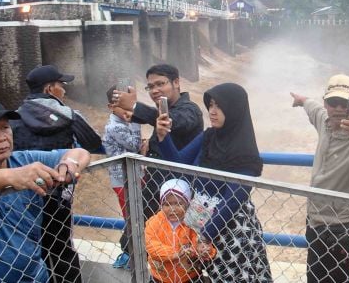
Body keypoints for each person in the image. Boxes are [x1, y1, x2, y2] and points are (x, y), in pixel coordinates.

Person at [156, 83, 273, 282]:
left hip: (231, 230)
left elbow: (233, 200)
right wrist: (163, 137)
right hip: (200, 227)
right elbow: (178, 164)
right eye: (210, 105)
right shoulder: (209, 137)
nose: (212, 111)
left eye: (219, 106)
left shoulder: (244, 152)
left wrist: (206, 235)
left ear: (234, 109)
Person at [0, 98, 91, 282]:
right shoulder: (15, 169)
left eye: (5, 128)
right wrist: (10, 177)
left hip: (37, 276)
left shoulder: (23, 160)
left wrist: (69, 163)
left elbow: (81, 153)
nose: (2, 137)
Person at [10, 64, 102, 283]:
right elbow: (93, 143)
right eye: (62, 85)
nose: (65, 90)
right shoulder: (69, 115)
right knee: (62, 247)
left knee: (34, 244)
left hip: (26, 192)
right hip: (60, 189)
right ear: (50, 89)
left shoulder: (13, 118)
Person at [290, 74, 349, 283]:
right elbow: (312, 108)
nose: (339, 108)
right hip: (316, 222)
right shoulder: (324, 120)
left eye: (345, 103)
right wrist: (302, 100)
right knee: (315, 279)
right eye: (334, 102)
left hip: (347, 227)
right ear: (326, 103)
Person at [113, 64, 203, 221]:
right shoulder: (164, 110)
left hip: (178, 197)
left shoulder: (190, 110)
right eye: (150, 87)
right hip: (154, 191)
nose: (155, 90)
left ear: (176, 82)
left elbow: (170, 121)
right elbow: (160, 118)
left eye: (161, 84)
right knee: (133, 239)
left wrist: (134, 106)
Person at [145, 179, 216, 283]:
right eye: (167, 204)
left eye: (178, 204)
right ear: (161, 205)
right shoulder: (154, 222)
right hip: (160, 278)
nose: (172, 209)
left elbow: (201, 243)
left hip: (189, 277)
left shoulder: (193, 224)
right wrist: (176, 253)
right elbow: (151, 246)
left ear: (187, 204)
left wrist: (206, 251)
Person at [102, 85, 142, 269]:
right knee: (133, 218)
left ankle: (133, 254)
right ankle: (130, 255)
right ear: (111, 107)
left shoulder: (120, 124)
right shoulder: (115, 127)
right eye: (124, 107)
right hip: (124, 180)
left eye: (130, 106)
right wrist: (136, 121)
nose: (128, 111)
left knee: (137, 215)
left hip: (131, 177)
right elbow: (134, 145)